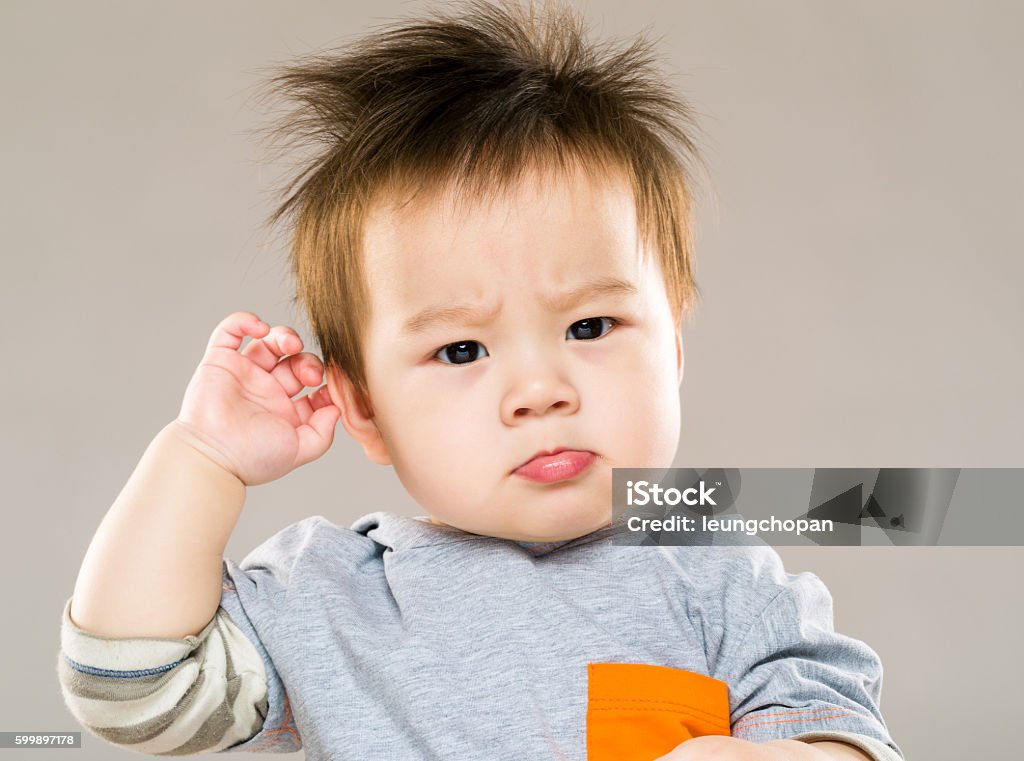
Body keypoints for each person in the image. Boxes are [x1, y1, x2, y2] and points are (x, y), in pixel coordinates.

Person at [56, 2, 903, 759]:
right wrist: (201, 456)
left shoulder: (721, 580)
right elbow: (131, 691)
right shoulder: (327, 604)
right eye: (462, 351)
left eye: (590, 327)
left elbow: (843, 725)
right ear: (364, 407)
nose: (540, 390)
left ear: (673, 348)